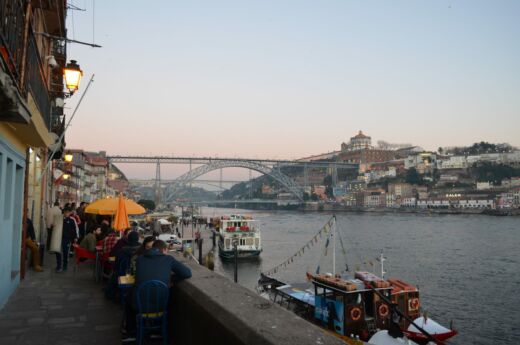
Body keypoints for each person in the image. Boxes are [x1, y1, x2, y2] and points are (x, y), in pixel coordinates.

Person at [124, 240, 191, 339]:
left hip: (139, 306)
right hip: (161, 306)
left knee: (128, 297)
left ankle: (130, 331)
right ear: (164, 250)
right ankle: (157, 330)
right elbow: (187, 273)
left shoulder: (140, 259)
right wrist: (171, 279)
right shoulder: (168, 259)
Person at [55, 208, 78, 272]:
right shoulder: (60, 219)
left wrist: (75, 237)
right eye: (65, 212)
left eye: (68, 212)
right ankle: (59, 266)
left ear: (70, 213)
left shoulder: (71, 220)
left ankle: (65, 265)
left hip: (67, 239)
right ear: (63, 213)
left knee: (65, 252)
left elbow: (74, 229)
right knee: (58, 252)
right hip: (58, 238)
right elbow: (55, 226)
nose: (66, 214)